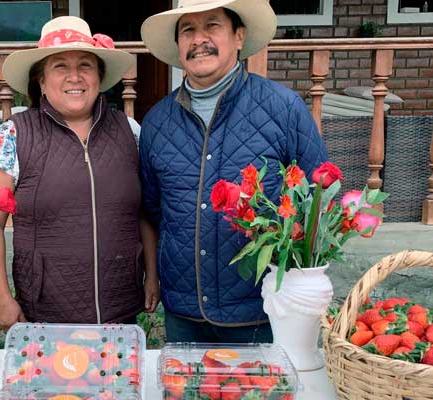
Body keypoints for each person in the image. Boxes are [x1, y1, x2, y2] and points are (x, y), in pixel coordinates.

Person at [139, 0, 329, 342]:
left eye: (212, 26)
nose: (199, 39)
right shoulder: (157, 122)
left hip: (261, 310)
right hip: (184, 310)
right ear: (179, 45)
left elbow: (317, 199)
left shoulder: (283, 108)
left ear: (239, 36)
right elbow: (153, 208)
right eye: (188, 30)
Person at [0, 16, 159, 330]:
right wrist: (1, 298)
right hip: (45, 314)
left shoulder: (130, 132)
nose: (74, 77)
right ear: (41, 82)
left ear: (99, 78)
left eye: (85, 65)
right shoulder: (12, 136)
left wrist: (152, 274)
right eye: (60, 66)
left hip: (120, 312)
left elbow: (143, 211)